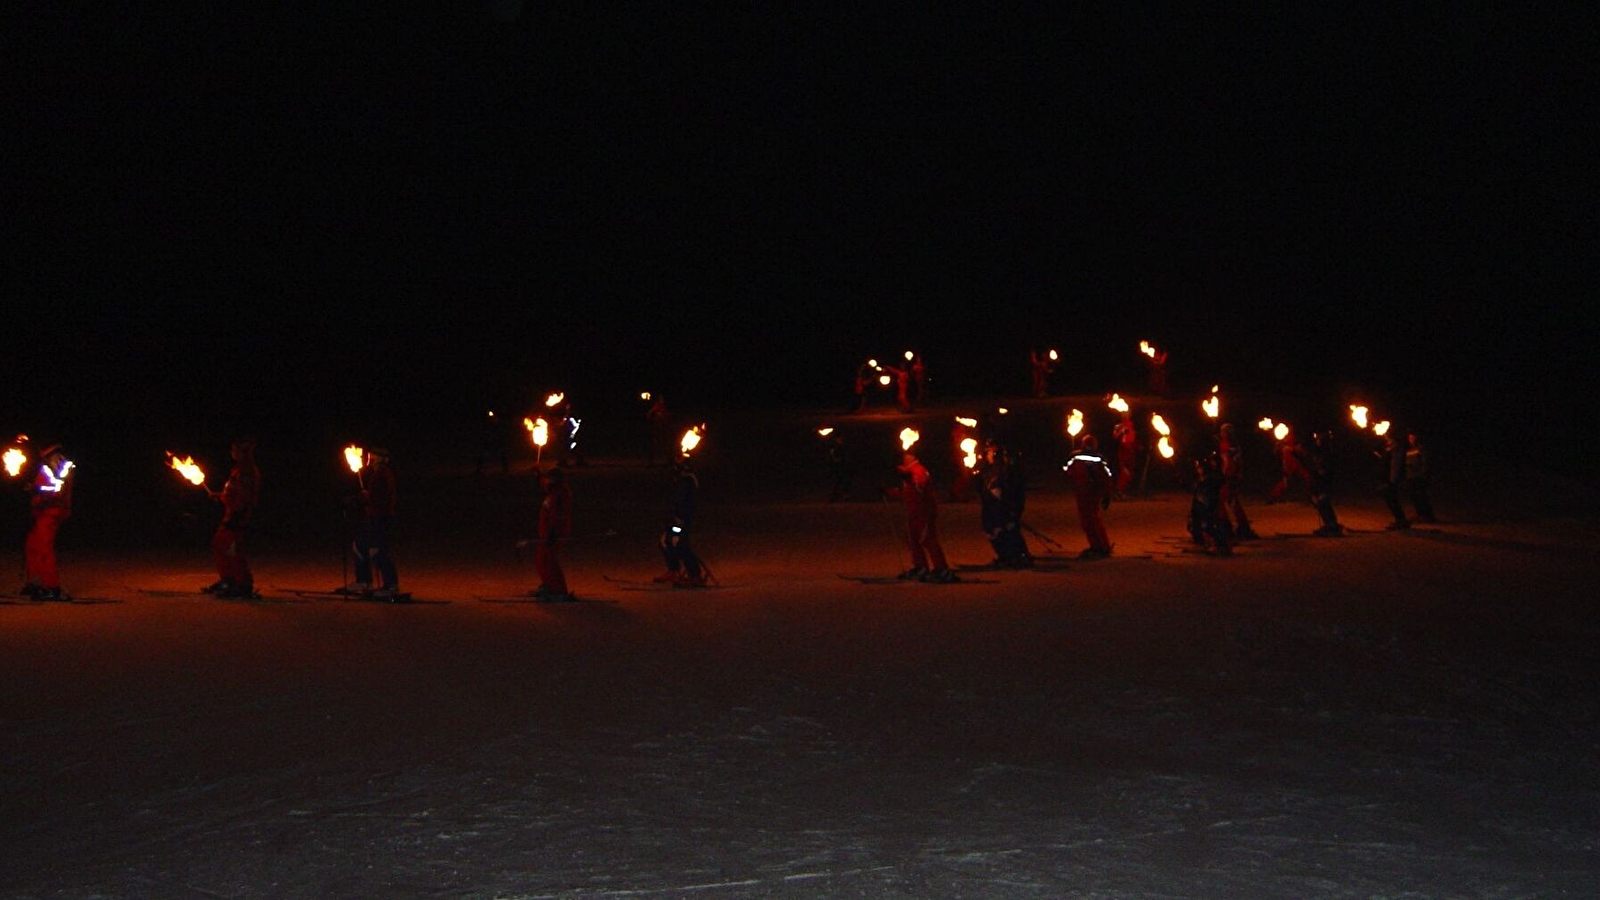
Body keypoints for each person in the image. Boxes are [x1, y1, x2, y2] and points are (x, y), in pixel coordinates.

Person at [884, 444, 956, 582]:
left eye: (907, 455)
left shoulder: (918, 470)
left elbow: (919, 486)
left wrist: (908, 478)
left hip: (924, 512)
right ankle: (920, 566)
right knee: (913, 540)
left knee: (928, 539)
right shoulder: (908, 471)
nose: (904, 458)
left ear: (913, 457)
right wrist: (889, 492)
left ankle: (941, 568)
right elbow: (907, 493)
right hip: (913, 512)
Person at [202, 438, 261, 598]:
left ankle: (243, 584)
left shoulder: (246, 472)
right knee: (219, 544)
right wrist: (219, 496)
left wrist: (238, 515)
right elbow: (232, 494)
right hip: (230, 514)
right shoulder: (237, 471)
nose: (232, 453)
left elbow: (245, 497)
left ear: (243, 453)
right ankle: (228, 580)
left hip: (238, 516)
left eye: (235, 450)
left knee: (233, 549)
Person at [22, 442, 74, 601]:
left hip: (51, 513)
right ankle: (35, 583)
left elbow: (56, 491)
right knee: (32, 545)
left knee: (44, 549)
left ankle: (51, 587)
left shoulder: (62, 468)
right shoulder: (48, 467)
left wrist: (36, 490)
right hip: (41, 512)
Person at [350, 446, 402, 600]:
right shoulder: (376, 474)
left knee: (377, 550)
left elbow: (381, 498)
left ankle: (391, 585)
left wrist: (367, 497)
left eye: (374, 455)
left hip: (381, 518)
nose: (370, 457)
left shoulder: (382, 474)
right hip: (373, 516)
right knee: (359, 545)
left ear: (381, 459)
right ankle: (364, 581)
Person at [655, 452, 708, 588]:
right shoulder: (679, 479)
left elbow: (684, 502)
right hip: (676, 518)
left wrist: (679, 519)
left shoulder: (687, 480)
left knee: (678, 542)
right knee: (665, 540)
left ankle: (695, 575)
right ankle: (673, 570)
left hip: (683, 519)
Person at [979, 440, 1032, 568]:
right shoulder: (992, 469)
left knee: (1008, 529)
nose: (988, 455)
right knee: (996, 530)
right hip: (994, 507)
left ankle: (1018, 556)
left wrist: (1011, 508)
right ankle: (1007, 556)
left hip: (1004, 506)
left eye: (990, 452)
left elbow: (1011, 490)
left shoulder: (1006, 470)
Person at [1063, 434, 1114, 559]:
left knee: (1089, 521)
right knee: (1095, 518)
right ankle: (1102, 545)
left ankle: (1098, 547)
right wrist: (1107, 494)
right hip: (1094, 491)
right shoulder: (1100, 458)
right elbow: (1107, 477)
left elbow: (1066, 471)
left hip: (1084, 491)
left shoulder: (1075, 456)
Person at [532, 465, 573, 598]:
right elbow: (545, 485)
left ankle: (558, 589)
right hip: (546, 532)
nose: (548, 480)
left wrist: (553, 533)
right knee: (541, 559)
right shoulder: (554, 490)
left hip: (554, 533)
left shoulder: (561, 494)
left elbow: (559, 516)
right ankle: (548, 584)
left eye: (550, 478)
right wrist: (538, 477)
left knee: (550, 561)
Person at [1216, 423, 1258, 539]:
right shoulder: (1230, 446)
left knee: (1225, 501)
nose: (1222, 434)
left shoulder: (1230, 447)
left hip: (1230, 477)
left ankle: (1229, 527)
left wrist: (1225, 475)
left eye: (1224, 432)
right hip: (1231, 476)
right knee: (1231, 501)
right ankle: (1239, 526)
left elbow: (1230, 463)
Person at [1187, 452, 1234, 555]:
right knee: (1196, 525)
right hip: (1200, 507)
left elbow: (1216, 488)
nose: (1198, 470)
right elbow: (1194, 491)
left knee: (1210, 525)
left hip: (1209, 506)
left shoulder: (1212, 478)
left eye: (1200, 468)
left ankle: (1221, 545)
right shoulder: (1200, 480)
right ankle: (1204, 543)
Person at [1307, 431, 1344, 537]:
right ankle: (1328, 524)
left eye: (1319, 439)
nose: (1317, 441)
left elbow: (1328, 471)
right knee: (1319, 503)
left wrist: (1322, 470)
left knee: (1324, 503)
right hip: (1317, 482)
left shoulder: (1328, 453)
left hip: (1325, 483)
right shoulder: (1317, 452)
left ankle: (1332, 525)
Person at [1375, 430, 1410, 530]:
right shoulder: (1391, 449)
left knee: (1392, 499)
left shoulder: (1397, 449)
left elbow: (1396, 465)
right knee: (1389, 499)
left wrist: (1393, 480)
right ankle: (1400, 520)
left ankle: (1401, 521)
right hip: (1387, 477)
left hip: (1391, 478)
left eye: (1390, 440)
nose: (1388, 440)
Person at [1269, 430, 1311, 503]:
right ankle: (1274, 497)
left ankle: (1310, 496)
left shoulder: (1293, 446)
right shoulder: (1282, 446)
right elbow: (1276, 453)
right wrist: (1279, 446)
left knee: (1307, 478)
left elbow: (1303, 453)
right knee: (1284, 482)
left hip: (1296, 466)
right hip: (1288, 467)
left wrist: (1294, 449)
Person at [1404, 432, 1437, 523]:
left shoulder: (1421, 449)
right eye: (1410, 438)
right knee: (1413, 496)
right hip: (1410, 476)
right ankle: (1419, 514)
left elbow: (1425, 462)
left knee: (1422, 496)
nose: (1411, 439)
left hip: (1419, 476)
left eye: (1413, 437)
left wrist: (1423, 473)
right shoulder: (1409, 450)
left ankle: (1428, 516)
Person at [1112, 411, 1139, 498]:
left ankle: (1122, 491)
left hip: (1130, 451)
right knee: (1124, 472)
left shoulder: (1132, 427)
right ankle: (1118, 491)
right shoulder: (1118, 426)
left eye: (1127, 415)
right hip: (1123, 451)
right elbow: (1115, 437)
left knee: (1129, 473)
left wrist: (1138, 446)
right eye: (1124, 415)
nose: (1125, 416)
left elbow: (1133, 440)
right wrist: (1122, 431)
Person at [825, 432, 854, 502]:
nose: (840, 440)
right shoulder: (834, 447)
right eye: (839, 438)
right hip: (836, 467)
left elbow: (846, 456)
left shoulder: (843, 447)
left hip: (843, 467)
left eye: (841, 439)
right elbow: (832, 457)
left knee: (844, 481)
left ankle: (845, 495)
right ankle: (835, 496)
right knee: (836, 481)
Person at [645, 395, 672, 466]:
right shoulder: (655, 408)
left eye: (662, 400)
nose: (661, 401)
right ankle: (651, 462)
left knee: (665, 446)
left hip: (663, 430)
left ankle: (667, 461)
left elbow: (668, 418)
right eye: (660, 399)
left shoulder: (664, 409)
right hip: (656, 430)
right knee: (653, 446)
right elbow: (648, 416)